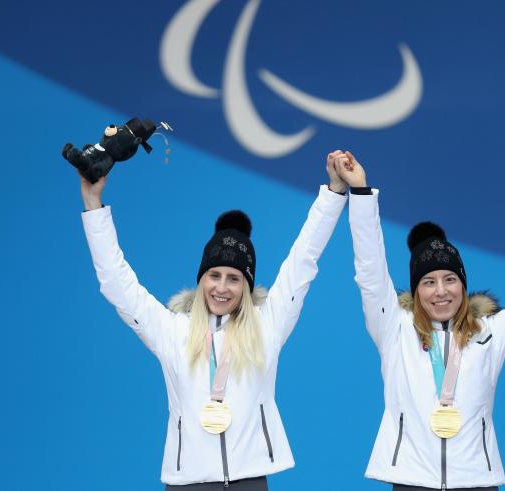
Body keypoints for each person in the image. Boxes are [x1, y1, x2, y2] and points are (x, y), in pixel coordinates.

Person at [331, 151, 505, 490]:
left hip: (478, 483)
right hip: (410, 481)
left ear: (463, 285)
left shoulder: (491, 334)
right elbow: (370, 270)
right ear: (417, 290)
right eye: (429, 282)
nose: (441, 291)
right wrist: (361, 192)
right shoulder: (393, 329)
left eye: (450, 279)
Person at [79, 151, 349, 490]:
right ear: (201, 278)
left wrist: (334, 191)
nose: (221, 288)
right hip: (187, 482)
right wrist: (93, 202)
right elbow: (116, 282)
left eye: (234, 278)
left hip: (249, 481)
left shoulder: (269, 325)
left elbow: (304, 258)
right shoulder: (171, 330)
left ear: (247, 287)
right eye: (214, 275)